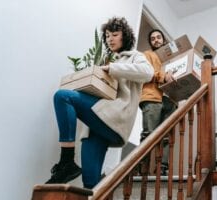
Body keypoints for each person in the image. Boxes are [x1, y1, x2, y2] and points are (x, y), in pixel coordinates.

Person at [45, 17, 154, 189]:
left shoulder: (135, 56)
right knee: (90, 184)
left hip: (115, 118)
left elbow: (148, 73)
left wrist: (113, 68)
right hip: (96, 125)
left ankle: (66, 161)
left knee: (63, 96)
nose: (110, 39)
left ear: (124, 36)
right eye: (107, 36)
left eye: (115, 34)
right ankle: (72, 168)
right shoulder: (106, 60)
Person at [139, 29, 177, 175]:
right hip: (152, 97)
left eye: (158, 37)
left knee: (166, 136)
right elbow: (145, 73)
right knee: (148, 134)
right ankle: (142, 168)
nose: (156, 40)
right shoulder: (146, 55)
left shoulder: (172, 57)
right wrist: (163, 76)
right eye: (153, 38)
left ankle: (162, 168)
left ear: (163, 39)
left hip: (171, 98)